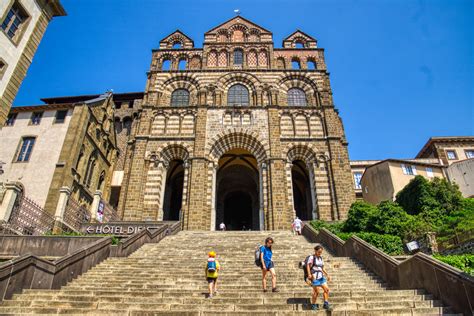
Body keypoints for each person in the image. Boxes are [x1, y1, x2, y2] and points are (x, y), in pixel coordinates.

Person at [306, 245, 332, 311]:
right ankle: (313, 304)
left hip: (321, 276)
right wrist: (309, 274)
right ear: (315, 250)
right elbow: (308, 266)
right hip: (314, 276)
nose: (320, 253)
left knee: (327, 289)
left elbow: (322, 268)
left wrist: (327, 274)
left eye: (321, 252)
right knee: (316, 291)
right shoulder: (311, 257)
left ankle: (326, 304)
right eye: (319, 252)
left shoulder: (320, 258)